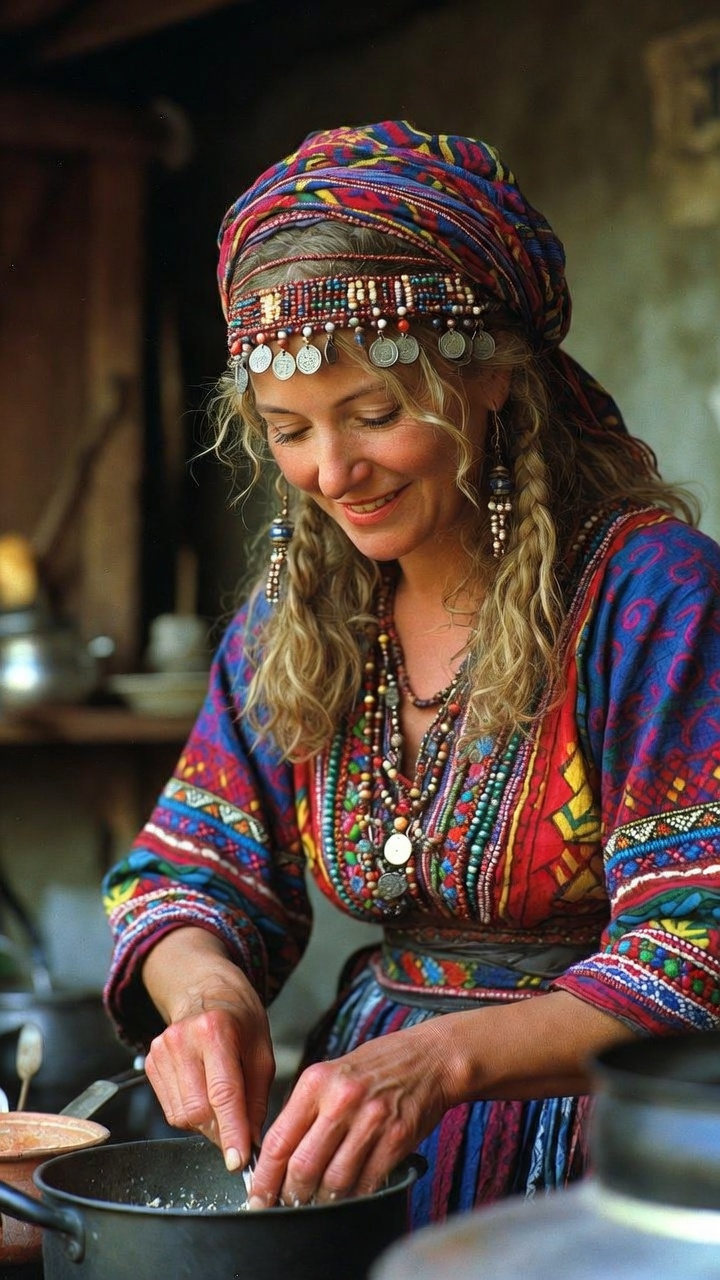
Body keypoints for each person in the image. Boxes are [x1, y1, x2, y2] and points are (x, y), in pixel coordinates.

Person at [102, 121, 720, 1228]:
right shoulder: (293, 624)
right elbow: (183, 878)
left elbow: (699, 943)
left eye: (376, 415)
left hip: (621, 1174)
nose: (333, 472)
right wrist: (206, 994)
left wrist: (440, 1060)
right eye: (289, 430)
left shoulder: (652, 599)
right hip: (374, 1169)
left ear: (490, 374)